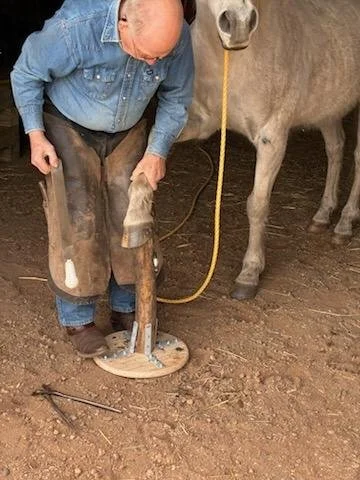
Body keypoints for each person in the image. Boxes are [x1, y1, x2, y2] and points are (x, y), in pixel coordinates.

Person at [11, 0, 194, 358]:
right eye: (147, 53)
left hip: (128, 129)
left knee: (131, 213)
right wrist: (35, 134)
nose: (155, 63)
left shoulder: (176, 34)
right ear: (123, 23)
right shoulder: (76, 26)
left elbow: (177, 97)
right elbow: (26, 73)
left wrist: (156, 151)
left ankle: (127, 306)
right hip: (69, 124)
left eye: (161, 55)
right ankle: (78, 318)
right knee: (78, 218)